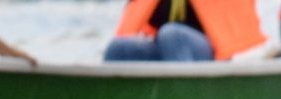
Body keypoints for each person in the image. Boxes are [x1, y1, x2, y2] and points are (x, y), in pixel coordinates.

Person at [103, 0, 267, 62]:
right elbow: (149, 22)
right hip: (164, 47)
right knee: (118, 49)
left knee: (172, 35)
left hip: (215, 53)